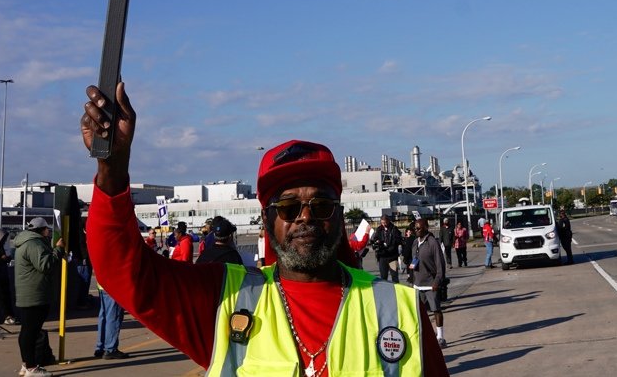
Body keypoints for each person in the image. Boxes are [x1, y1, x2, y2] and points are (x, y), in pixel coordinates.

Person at [81, 81, 449, 375]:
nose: (305, 217)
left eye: (320, 205)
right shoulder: (222, 300)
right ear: (267, 220)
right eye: (288, 207)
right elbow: (122, 271)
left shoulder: (400, 309)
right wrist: (112, 171)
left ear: (338, 216)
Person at [13, 217, 65, 377]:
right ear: (41, 230)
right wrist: (58, 249)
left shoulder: (25, 242)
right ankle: (31, 367)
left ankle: (26, 364)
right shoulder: (34, 244)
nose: (48, 231)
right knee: (31, 332)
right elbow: (46, 265)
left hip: (27, 293)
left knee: (28, 331)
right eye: (46, 229)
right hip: (35, 294)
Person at [411, 216, 448, 349]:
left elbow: (440, 264)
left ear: (426, 227)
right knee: (420, 312)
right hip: (418, 284)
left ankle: (440, 336)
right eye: (415, 228)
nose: (416, 230)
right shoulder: (416, 242)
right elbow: (413, 261)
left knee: (436, 310)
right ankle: (426, 335)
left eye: (419, 228)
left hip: (430, 283)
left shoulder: (432, 242)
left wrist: (437, 280)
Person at [93, 274, 129, 360]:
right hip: (113, 283)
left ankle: (100, 347)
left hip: (102, 283)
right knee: (113, 316)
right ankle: (110, 349)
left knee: (104, 316)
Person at [369, 213, 403, 282]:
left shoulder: (394, 229)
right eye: (382, 222)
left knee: (394, 276)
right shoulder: (379, 229)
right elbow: (375, 239)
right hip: (382, 256)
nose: (383, 224)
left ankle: (396, 290)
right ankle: (384, 290)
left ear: (388, 221)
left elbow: (399, 240)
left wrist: (391, 245)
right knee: (383, 276)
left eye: (385, 222)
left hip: (392, 257)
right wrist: (377, 242)